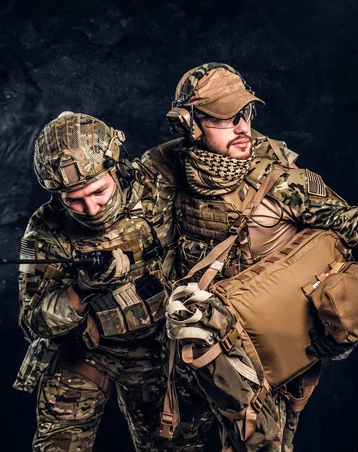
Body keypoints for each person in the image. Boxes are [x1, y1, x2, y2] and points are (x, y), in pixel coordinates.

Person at [156, 63, 358, 452]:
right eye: (226, 119)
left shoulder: (283, 181)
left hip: (266, 363)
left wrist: (350, 323)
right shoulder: (167, 172)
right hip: (196, 354)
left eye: (246, 114)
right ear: (189, 124)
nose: (243, 127)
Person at [13, 111, 213, 451]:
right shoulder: (45, 229)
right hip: (88, 349)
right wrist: (81, 291)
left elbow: (219, 151)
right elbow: (33, 322)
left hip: (158, 346)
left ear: (114, 168)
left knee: (175, 443)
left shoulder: (155, 181)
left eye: (99, 192)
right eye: (74, 200)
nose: (91, 208)